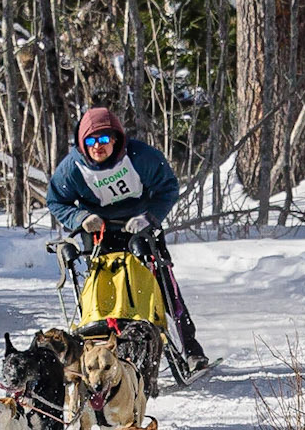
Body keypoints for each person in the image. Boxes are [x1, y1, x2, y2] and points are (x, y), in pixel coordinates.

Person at [47, 106, 209, 372]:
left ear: (115, 139)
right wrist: (80, 219)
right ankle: (98, 347)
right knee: (102, 289)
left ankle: (190, 348)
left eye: (103, 140)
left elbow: (168, 187)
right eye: (90, 141)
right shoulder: (71, 169)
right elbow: (56, 201)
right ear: (82, 143)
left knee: (163, 286)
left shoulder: (140, 157)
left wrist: (150, 217)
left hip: (140, 229)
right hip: (98, 233)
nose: (97, 147)